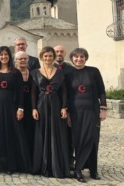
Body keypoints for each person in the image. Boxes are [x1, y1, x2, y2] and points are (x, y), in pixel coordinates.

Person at [0, 46, 31, 174]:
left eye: (5, 54)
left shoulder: (15, 73)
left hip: (12, 106)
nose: (3, 57)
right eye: (1, 55)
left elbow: (21, 93)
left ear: (9, 56)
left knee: (11, 135)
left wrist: (20, 108)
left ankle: (11, 166)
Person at [66, 48, 107, 183]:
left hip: (92, 110)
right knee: (79, 140)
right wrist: (67, 114)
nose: (79, 59)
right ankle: (78, 170)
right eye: (76, 57)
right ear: (72, 59)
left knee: (92, 139)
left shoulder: (93, 71)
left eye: (82, 57)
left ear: (86, 58)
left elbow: (101, 90)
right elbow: (66, 94)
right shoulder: (68, 73)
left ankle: (93, 170)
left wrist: (103, 108)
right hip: (76, 112)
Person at [30, 46, 70, 178]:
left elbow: (64, 91)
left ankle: (56, 165)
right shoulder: (35, 72)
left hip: (56, 104)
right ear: (42, 57)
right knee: (42, 133)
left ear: (54, 57)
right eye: (45, 56)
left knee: (56, 133)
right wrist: (34, 108)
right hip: (41, 105)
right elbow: (33, 92)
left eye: (50, 56)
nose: (48, 58)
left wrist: (64, 107)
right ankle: (43, 165)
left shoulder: (59, 72)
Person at [53, 45, 75, 171]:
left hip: (68, 105)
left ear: (65, 53)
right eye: (57, 52)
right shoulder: (49, 68)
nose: (59, 53)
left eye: (61, 51)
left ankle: (69, 160)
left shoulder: (70, 69)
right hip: (54, 104)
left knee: (68, 134)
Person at [14, 51, 34, 160]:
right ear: (15, 61)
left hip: (31, 106)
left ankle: (30, 159)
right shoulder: (12, 74)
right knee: (18, 133)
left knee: (30, 133)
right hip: (17, 107)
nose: (22, 61)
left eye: (24, 59)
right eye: (19, 59)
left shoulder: (33, 74)